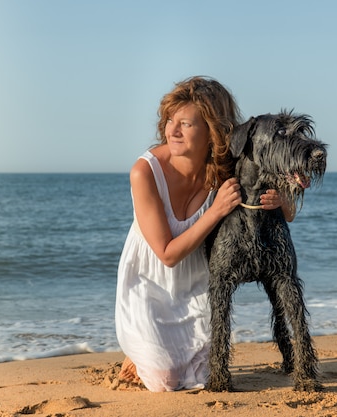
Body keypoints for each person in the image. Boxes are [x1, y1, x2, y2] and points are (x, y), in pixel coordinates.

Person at [115, 76, 295, 392]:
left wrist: (281, 200)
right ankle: (136, 353)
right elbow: (167, 255)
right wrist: (216, 211)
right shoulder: (145, 172)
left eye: (185, 124)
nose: (172, 130)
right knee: (165, 380)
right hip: (151, 282)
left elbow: (288, 213)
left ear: (213, 131)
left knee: (201, 377)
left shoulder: (227, 167)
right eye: (170, 121)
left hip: (198, 282)